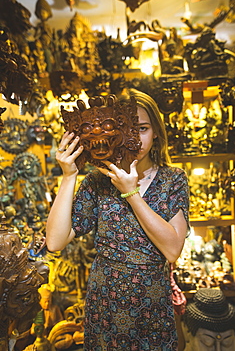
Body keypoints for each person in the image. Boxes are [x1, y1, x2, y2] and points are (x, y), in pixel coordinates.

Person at [46, 88, 190, 350]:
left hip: (152, 305)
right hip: (106, 303)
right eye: (128, 129)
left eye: (143, 129)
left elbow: (172, 250)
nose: (135, 138)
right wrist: (69, 176)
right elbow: (55, 242)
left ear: (156, 132)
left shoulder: (172, 179)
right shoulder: (98, 181)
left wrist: (131, 193)